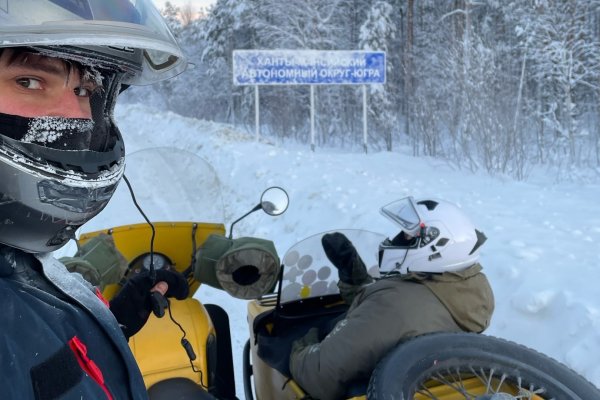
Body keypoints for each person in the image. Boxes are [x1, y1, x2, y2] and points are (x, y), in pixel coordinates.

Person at [0, 1, 191, 398]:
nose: (78, 117)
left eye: (86, 90)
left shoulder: (14, 258)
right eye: (29, 82)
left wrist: (107, 321)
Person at [289, 197, 495, 400]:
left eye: (407, 236)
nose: (395, 240)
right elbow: (402, 316)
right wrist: (356, 278)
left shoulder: (394, 306)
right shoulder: (468, 290)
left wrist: (301, 343)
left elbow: (318, 375)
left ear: (435, 248)